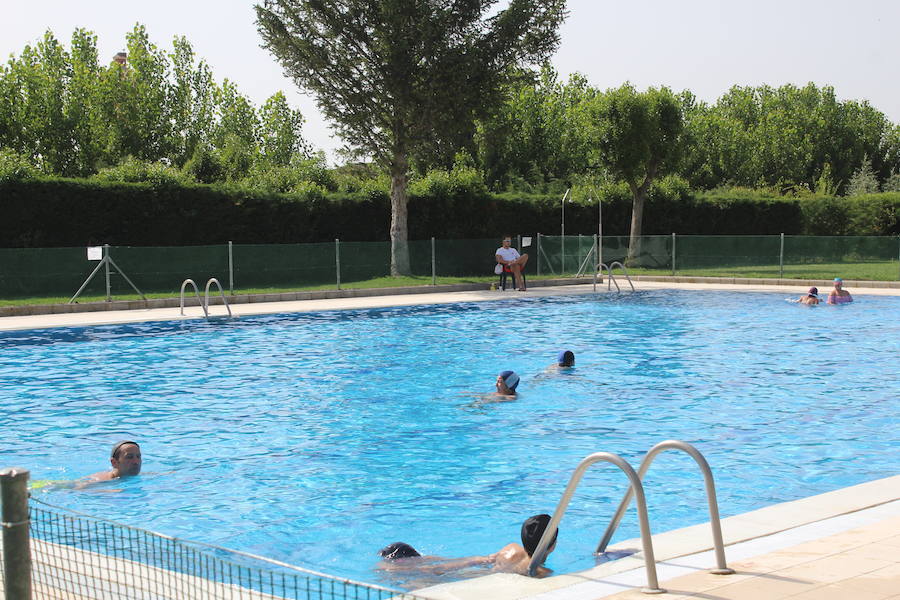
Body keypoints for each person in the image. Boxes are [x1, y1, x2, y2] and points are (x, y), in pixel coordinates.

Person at [378, 514, 558, 577]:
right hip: (477, 579)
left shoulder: (510, 549)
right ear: (552, 546)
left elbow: (478, 560)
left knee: (435, 571)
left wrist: (439, 565)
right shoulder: (543, 574)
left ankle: (408, 564)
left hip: (473, 571)